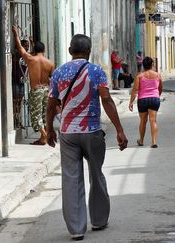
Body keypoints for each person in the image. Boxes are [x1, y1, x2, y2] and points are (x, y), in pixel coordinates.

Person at [45, 34, 128, 241]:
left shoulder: (58, 73)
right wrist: (119, 129)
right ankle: (99, 220)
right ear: (89, 51)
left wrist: (49, 129)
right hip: (92, 131)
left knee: (71, 179)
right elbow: (107, 100)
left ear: (70, 50)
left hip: (68, 133)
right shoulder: (96, 71)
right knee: (96, 174)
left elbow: (50, 104)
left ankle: (76, 229)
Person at [12, 26, 55, 145]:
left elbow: (20, 49)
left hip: (36, 90)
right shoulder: (50, 63)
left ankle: (45, 136)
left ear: (34, 50)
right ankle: (43, 137)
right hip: (47, 89)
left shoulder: (31, 59)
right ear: (44, 50)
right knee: (44, 114)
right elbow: (53, 80)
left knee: (36, 116)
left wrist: (15, 34)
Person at [129, 57, 163, 148]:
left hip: (143, 100)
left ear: (143, 65)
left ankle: (141, 140)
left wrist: (131, 102)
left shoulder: (139, 76)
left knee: (143, 121)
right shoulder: (158, 75)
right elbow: (160, 89)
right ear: (152, 65)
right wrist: (157, 96)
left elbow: (135, 90)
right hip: (154, 99)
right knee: (153, 121)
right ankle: (154, 142)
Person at [12, 39, 30, 129]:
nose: (27, 48)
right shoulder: (15, 57)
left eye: (28, 46)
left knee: (19, 102)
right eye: (25, 46)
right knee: (15, 102)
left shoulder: (25, 58)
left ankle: (18, 120)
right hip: (15, 82)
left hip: (21, 83)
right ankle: (15, 121)